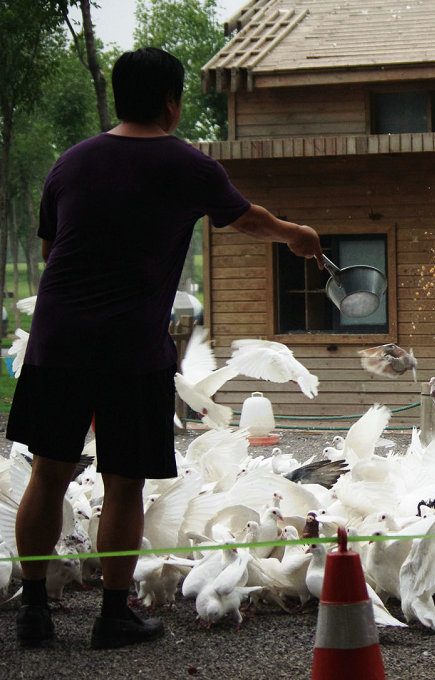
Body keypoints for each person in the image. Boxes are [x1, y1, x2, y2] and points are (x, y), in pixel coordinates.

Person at [6, 47, 323, 649]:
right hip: (131, 349)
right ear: (172, 103)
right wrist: (295, 235)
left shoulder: (70, 164)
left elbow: (50, 252)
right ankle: (112, 615)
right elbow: (246, 218)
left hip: (58, 339)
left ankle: (35, 612)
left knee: (47, 474)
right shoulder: (188, 165)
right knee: (124, 481)